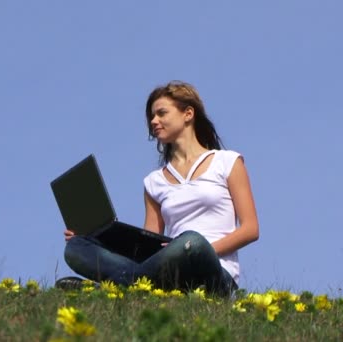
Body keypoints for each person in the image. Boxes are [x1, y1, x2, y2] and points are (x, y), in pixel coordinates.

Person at [56, 81, 259, 296]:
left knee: (192, 241)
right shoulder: (154, 182)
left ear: (188, 114)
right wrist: (93, 235)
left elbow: (250, 229)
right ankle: (133, 287)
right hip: (168, 271)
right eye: (152, 116)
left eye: (161, 113)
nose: (154, 121)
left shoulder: (227, 162)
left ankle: (114, 289)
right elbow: (148, 242)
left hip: (213, 271)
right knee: (76, 247)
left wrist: (195, 250)